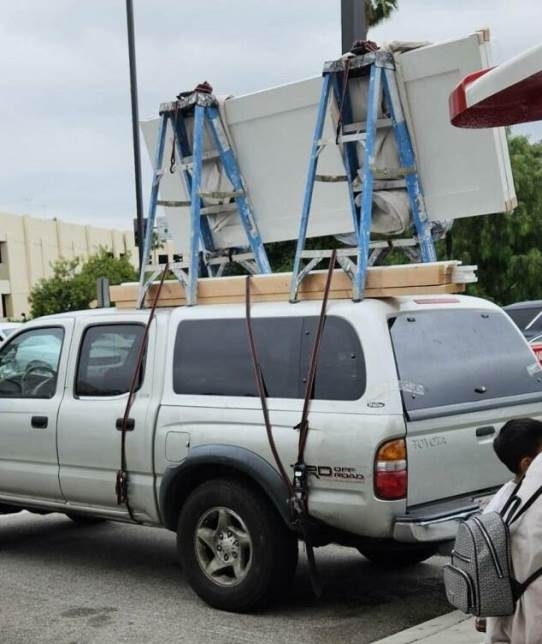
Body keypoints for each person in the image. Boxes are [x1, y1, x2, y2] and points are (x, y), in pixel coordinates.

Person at [482, 417, 542, 644]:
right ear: (528, 464)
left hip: (503, 621)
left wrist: (482, 614)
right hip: (531, 617)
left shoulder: (500, 501)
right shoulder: (534, 505)